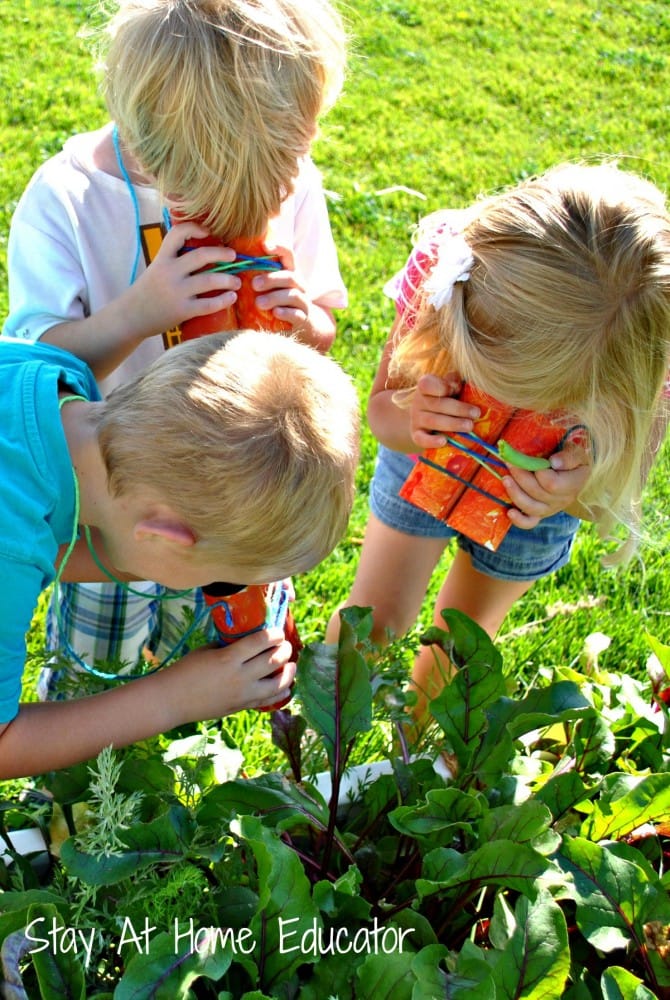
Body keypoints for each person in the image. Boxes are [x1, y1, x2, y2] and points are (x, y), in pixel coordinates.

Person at [3, 0, 348, 681]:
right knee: (102, 658)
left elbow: (323, 330)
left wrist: (303, 328)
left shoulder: (286, 178)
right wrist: (140, 310)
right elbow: (40, 366)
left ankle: (213, 730)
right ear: (155, 152)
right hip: (122, 496)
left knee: (241, 647)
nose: (282, 188)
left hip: (241, 495)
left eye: (293, 163)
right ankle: (92, 776)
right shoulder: (69, 198)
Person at [328, 161, 670, 721]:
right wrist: (412, 419)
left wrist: (568, 493)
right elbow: (381, 413)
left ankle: (410, 753)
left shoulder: (647, 354)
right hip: (424, 462)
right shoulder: (451, 270)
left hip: (532, 514)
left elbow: (611, 492)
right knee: (375, 616)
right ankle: (331, 732)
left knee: (460, 646)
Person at [0, 328, 359, 779]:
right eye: (222, 578)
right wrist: (175, 697)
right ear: (163, 536)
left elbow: (40, 552)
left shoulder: (57, 384)